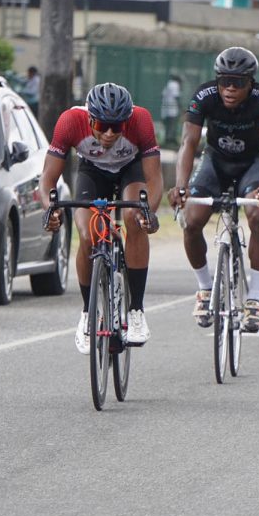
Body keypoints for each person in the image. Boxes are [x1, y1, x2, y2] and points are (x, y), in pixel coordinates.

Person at [40, 83, 163, 354]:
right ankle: (87, 314)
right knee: (88, 235)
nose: (109, 133)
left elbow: (154, 178)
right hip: (92, 172)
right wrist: (51, 208)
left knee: (134, 217)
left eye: (117, 127)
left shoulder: (140, 120)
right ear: (89, 117)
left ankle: (136, 311)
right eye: (102, 125)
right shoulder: (70, 121)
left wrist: (149, 215)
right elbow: (48, 178)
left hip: (130, 171)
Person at [169, 47, 259, 333]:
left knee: (256, 216)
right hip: (216, 161)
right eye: (224, 81)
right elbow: (189, 143)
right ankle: (205, 289)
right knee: (192, 221)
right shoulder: (204, 95)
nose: (230, 89)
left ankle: (254, 298)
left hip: (252, 163)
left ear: (250, 83)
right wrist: (181, 186)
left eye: (238, 82)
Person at [160, 74, 182, 147]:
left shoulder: (168, 84)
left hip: (166, 108)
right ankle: (170, 139)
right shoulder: (175, 85)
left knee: (168, 125)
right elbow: (176, 96)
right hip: (172, 108)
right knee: (172, 124)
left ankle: (168, 139)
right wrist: (180, 106)